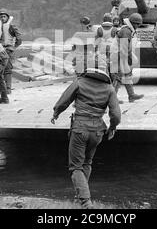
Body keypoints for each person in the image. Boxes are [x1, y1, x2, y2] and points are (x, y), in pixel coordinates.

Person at [51, 62, 121, 209]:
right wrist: (112, 128)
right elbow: (116, 115)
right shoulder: (109, 89)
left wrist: (56, 113)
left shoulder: (80, 82)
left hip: (80, 129)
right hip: (97, 132)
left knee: (76, 167)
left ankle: (86, 202)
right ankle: (80, 198)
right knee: (87, 163)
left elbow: (64, 100)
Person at [114, 13, 144, 102]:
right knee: (118, 77)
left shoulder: (128, 30)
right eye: (137, 24)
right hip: (120, 56)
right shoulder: (126, 31)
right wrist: (129, 58)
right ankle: (112, 98)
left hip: (123, 55)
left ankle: (131, 95)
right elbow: (124, 48)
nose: (138, 26)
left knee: (127, 75)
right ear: (132, 23)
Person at [0, 8, 22, 94]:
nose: (2, 18)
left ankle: (8, 89)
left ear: (7, 17)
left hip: (8, 50)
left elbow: (19, 39)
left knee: (7, 69)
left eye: (4, 16)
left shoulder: (12, 26)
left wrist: (13, 47)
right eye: (1, 17)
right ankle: (0, 89)